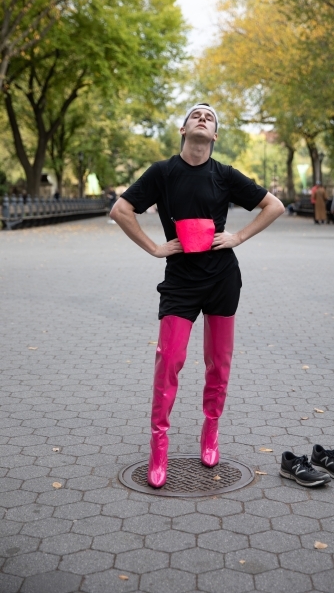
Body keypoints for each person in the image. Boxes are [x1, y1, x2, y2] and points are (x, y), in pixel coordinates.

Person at [110, 103, 284, 488]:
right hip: (181, 282)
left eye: (210, 118)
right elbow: (121, 210)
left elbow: (274, 205)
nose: (203, 118)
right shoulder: (163, 172)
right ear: (184, 130)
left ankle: (211, 431)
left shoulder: (224, 174)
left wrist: (237, 236)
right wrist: (155, 247)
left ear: (215, 136)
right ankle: (159, 446)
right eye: (196, 115)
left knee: (218, 364)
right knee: (169, 359)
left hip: (222, 278)